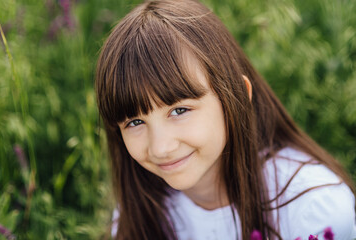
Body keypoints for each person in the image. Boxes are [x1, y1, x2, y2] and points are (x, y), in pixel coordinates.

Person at [95, 0, 356, 239]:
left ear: (238, 96)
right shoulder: (140, 212)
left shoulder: (314, 210)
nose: (161, 147)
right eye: (135, 123)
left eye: (179, 111)